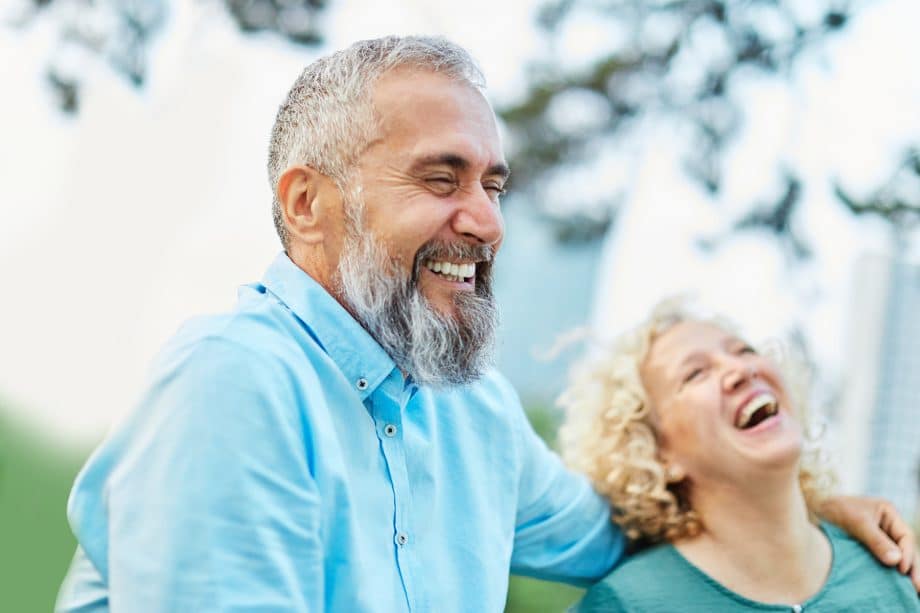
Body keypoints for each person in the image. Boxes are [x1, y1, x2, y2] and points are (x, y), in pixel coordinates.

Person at [56, 36, 917, 612]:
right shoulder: (236, 382)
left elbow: (626, 523)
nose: (487, 221)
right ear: (309, 203)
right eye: (441, 180)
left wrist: (803, 508)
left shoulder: (474, 412)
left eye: (492, 185)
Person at [560, 300, 920, 611]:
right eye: (696, 373)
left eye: (744, 350)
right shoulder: (627, 604)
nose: (740, 370)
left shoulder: (895, 572)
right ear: (657, 454)